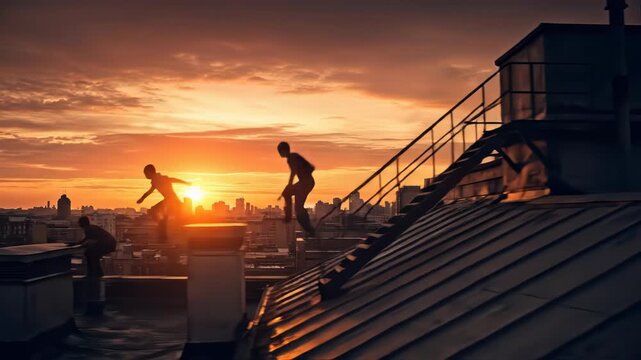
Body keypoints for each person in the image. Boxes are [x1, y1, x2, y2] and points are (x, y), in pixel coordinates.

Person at [278, 142, 316, 236]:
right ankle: (291, 217)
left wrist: (290, 185)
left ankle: (308, 228)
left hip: (306, 183)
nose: (279, 153)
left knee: (298, 208)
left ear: (283, 150)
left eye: (279, 151)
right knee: (293, 200)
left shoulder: (291, 158)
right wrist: (288, 188)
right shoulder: (293, 157)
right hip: (306, 183)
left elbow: (293, 171)